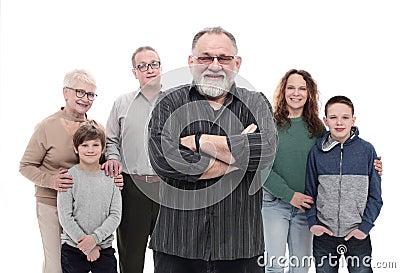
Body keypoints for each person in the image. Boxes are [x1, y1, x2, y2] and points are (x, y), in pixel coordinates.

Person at [147, 26, 278, 273]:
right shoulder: (169, 102)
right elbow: (164, 160)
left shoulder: (256, 102)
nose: (215, 65)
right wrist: (238, 157)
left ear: (237, 63)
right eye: (205, 57)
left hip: (241, 246)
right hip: (178, 244)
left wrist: (197, 141)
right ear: (191, 62)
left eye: (224, 58)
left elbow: (267, 150)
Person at [261, 70, 383, 273]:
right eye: (291, 87)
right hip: (276, 203)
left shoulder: (317, 129)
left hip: (306, 207)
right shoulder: (270, 125)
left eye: (302, 88)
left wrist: (373, 165)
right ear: (283, 91)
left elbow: (342, 147)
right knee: (274, 265)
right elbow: (260, 169)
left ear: (309, 93)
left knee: (300, 267)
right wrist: (290, 195)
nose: (296, 93)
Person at [19, 69, 123, 273]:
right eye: (80, 92)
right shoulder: (46, 126)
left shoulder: (96, 129)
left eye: (91, 94)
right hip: (51, 203)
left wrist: (113, 174)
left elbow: (104, 159)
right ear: (65, 92)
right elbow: (25, 166)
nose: (85, 99)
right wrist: (51, 181)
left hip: (87, 206)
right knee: (55, 263)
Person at [305, 95, 383, 273]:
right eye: (333, 117)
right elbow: (310, 192)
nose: (339, 122)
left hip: (357, 235)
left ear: (353, 120)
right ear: (325, 120)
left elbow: (375, 196)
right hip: (324, 234)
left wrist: (364, 228)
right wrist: (313, 223)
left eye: (345, 117)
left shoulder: (367, 151)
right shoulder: (316, 153)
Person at [102, 46, 163, 273]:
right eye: (142, 66)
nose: (149, 70)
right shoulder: (122, 103)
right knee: (131, 258)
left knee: (169, 257)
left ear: (160, 67)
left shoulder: (177, 101)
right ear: (134, 72)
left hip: (166, 189)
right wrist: (114, 161)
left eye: (154, 64)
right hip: (132, 188)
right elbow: (111, 141)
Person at [57, 120, 122, 273]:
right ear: (76, 148)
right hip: (73, 249)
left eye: (95, 145)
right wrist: (86, 246)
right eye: (85, 145)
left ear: (103, 148)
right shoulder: (68, 177)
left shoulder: (111, 178)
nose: (90, 150)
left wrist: (94, 240)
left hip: (104, 248)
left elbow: (115, 216)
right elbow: (65, 217)